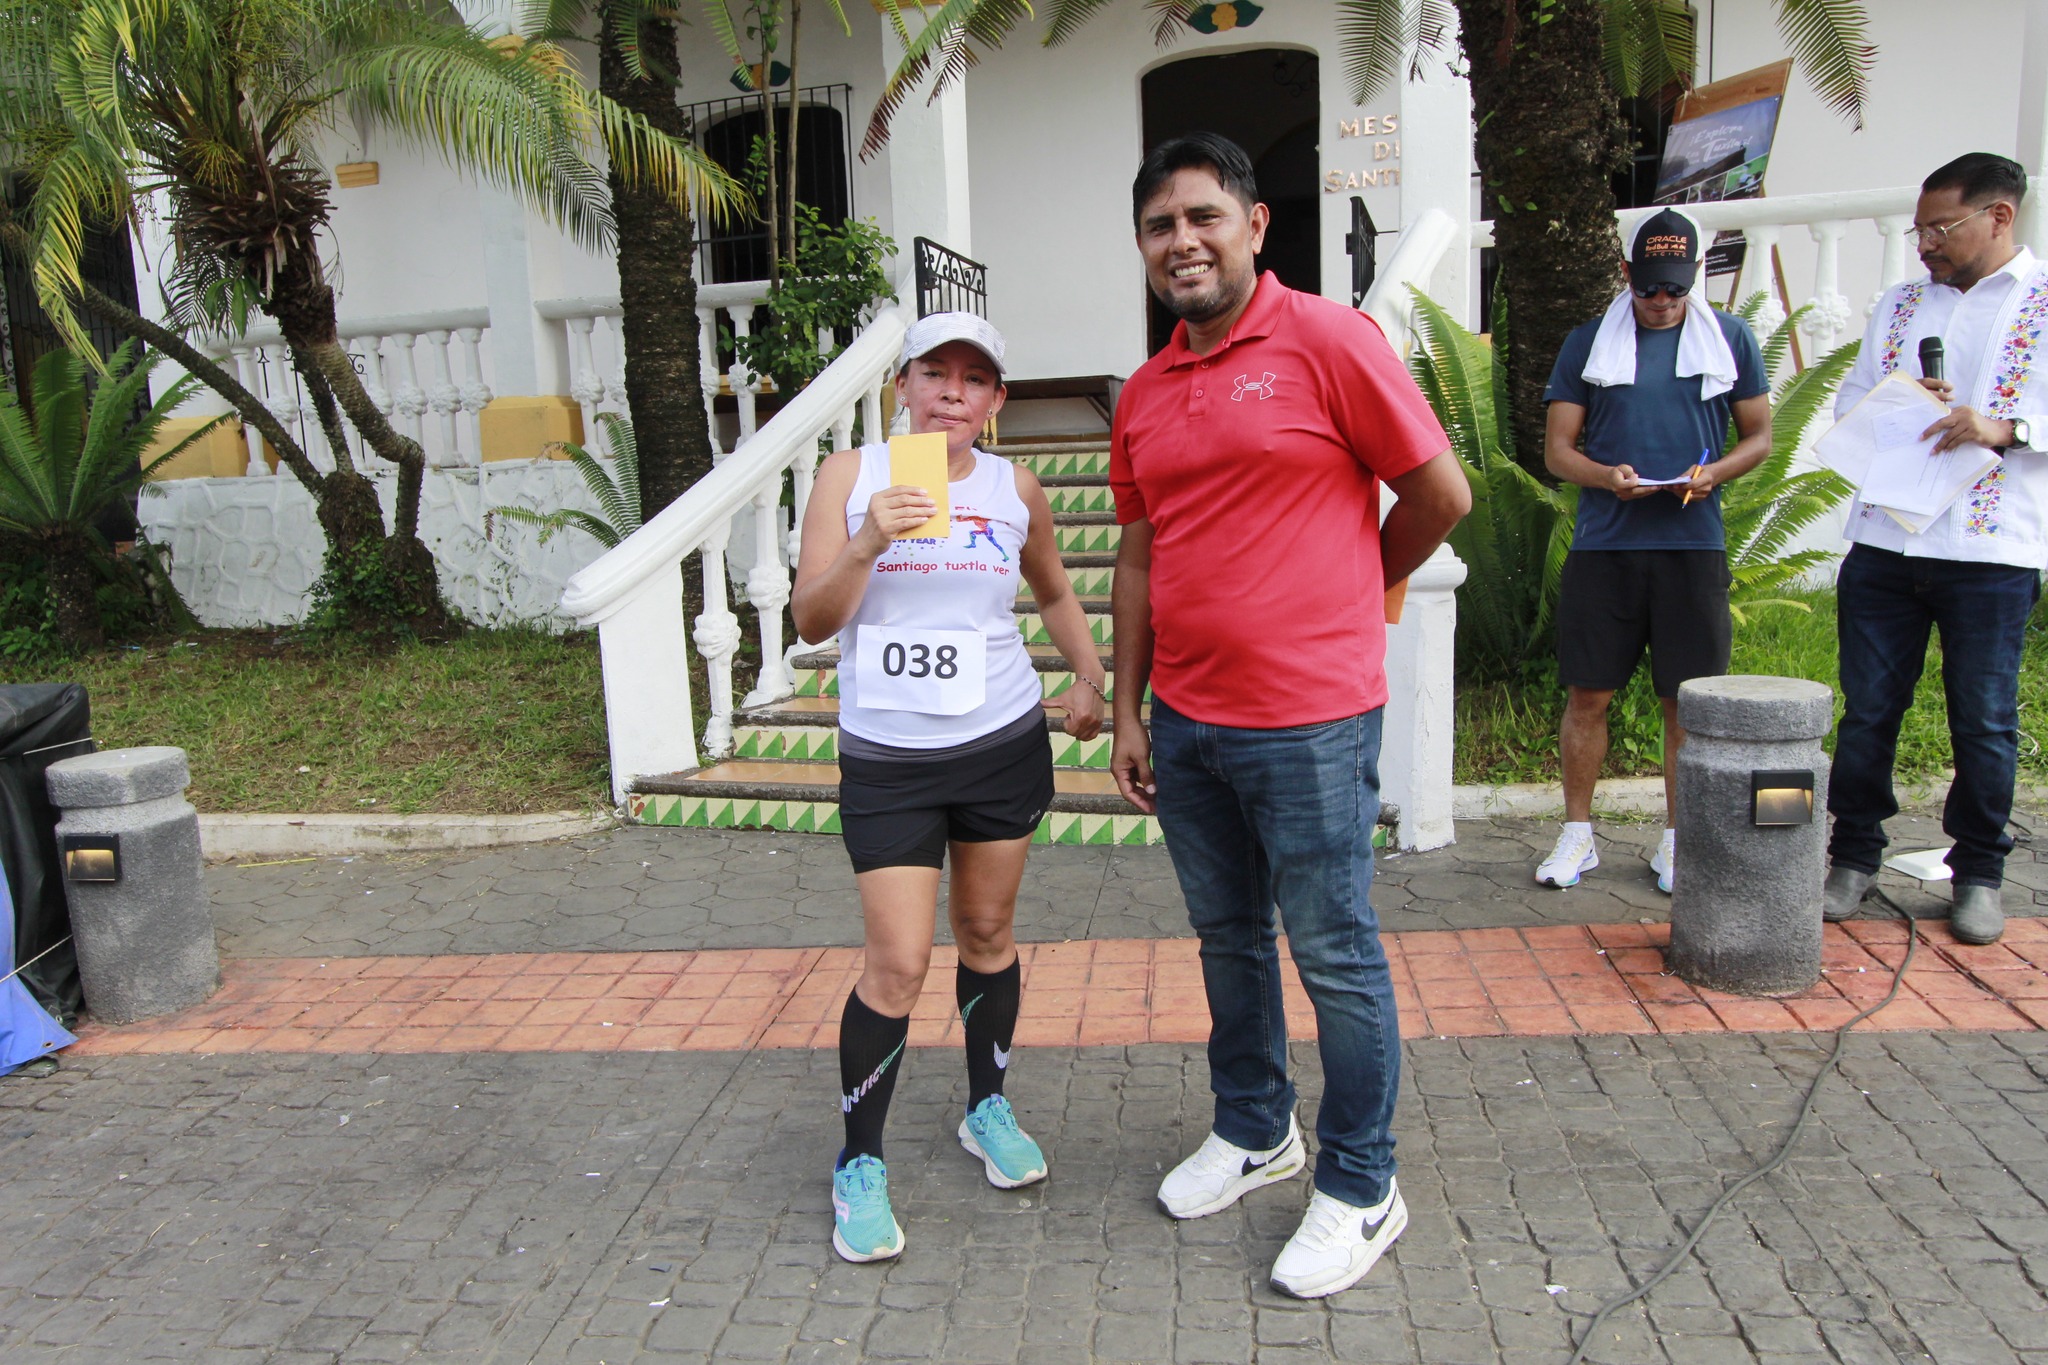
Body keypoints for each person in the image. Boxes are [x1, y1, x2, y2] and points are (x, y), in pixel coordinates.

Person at [1107, 132, 1469, 1299]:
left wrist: (1357, 585)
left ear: (1254, 226)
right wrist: (1126, 708)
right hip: (1190, 721)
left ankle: (1364, 1183)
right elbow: (1137, 552)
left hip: (1310, 720)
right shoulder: (1148, 390)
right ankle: (1257, 1129)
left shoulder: (1325, 339)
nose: (1182, 242)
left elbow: (1438, 492)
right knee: (1225, 942)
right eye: (1160, 226)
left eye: (1203, 217)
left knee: (1334, 953)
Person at [790, 311, 1107, 1262]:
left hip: (999, 739)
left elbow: (1051, 588)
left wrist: (1088, 676)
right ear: (904, 387)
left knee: (987, 934)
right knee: (896, 963)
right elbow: (811, 618)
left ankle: (987, 1107)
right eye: (935, 374)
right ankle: (859, 1162)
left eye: (974, 379)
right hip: (888, 758)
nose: (952, 393)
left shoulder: (1017, 488)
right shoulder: (852, 478)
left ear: (996, 401)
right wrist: (866, 543)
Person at [1822, 153, 2048, 945]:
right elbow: (1850, 402)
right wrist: (1896, 405)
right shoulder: (1899, 304)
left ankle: (1979, 871)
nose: (1925, 243)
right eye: (1919, 229)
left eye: (1940, 228)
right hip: (1887, 541)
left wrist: (2005, 427)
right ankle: (1851, 856)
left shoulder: (2043, 302)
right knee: (1869, 710)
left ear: (1998, 216)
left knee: (1983, 719)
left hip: (1991, 550)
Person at [1535, 207, 1773, 893]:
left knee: (1685, 701)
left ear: (1694, 278)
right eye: (1649, 289)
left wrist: (1713, 474)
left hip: (1692, 544)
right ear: (1626, 275)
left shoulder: (1730, 339)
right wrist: (1607, 478)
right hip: (1606, 546)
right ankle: (1578, 835)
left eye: (1675, 289)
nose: (1663, 303)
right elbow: (1557, 451)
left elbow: (1758, 436)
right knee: (1589, 694)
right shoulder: (1588, 343)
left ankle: (1678, 839)